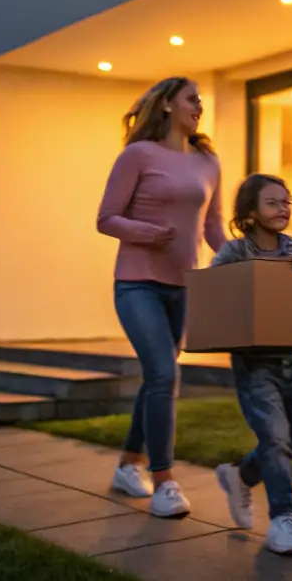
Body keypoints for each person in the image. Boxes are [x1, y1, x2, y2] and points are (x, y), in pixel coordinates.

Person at [97, 76, 228, 518]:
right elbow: (106, 218)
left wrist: (236, 258)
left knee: (158, 375)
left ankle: (127, 464)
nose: (199, 106)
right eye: (192, 99)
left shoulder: (208, 161)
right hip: (137, 282)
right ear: (168, 105)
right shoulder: (137, 155)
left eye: (201, 101)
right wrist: (147, 233)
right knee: (162, 374)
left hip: (183, 286)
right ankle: (165, 482)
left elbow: (213, 225)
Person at [212, 173, 292, 557]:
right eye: (273, 203)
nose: (282, 209)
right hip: (255, 366)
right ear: (251, 212)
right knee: (275, 439)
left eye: (287, 202)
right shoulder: (234, 253)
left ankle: (241, 475)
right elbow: (215, 297)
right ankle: (283, 519)